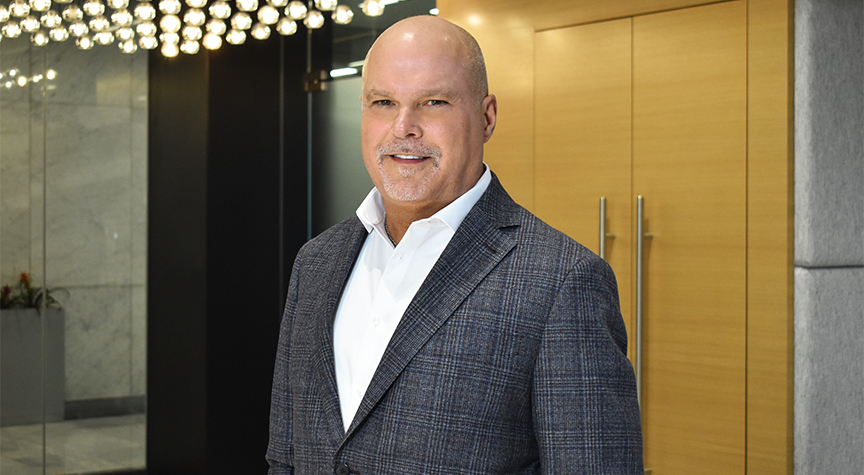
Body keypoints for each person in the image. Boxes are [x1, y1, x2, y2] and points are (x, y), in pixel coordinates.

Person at [267, 15, 643, 474]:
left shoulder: (562, 281)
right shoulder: (316, 262)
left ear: (487, 118)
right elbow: (285, 457)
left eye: (434, 102)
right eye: (383, 102)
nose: (404, 127)